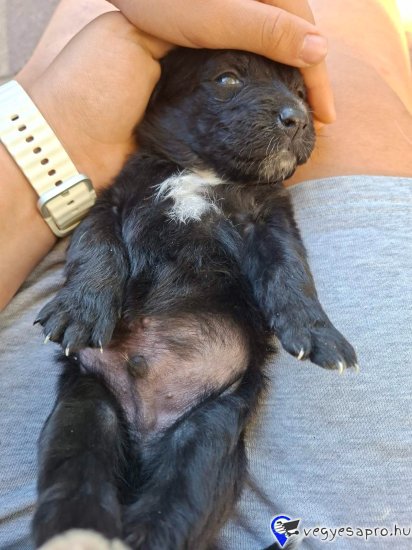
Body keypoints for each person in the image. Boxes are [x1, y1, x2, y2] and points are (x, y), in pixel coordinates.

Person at [0, 0, 411, 548]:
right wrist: (91, 289)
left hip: (208, 387)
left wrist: (301, 316)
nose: (295, 111)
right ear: (161, 93)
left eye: (298, 93)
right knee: (78, 460)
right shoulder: (141, 171)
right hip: (103, 368)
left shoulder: (259, 199)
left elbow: (275, 251)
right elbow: (105, 223)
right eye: (228, 79)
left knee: (198, 467)